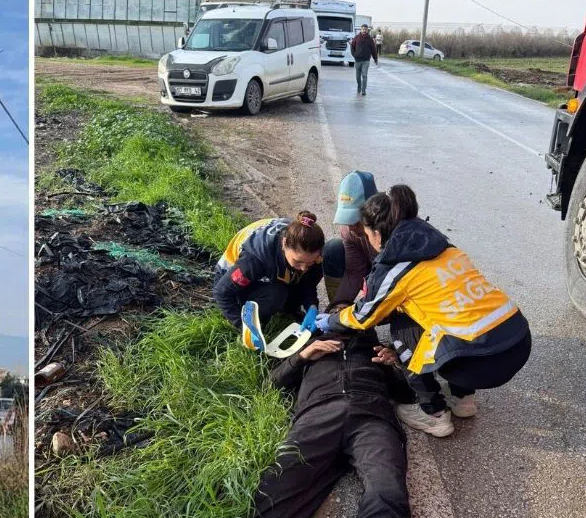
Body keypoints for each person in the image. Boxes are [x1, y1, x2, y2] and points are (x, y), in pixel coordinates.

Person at [149, 304, 428, 518]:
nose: (345, 322)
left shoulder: (374, 352)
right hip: (316, 418)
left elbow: (411, 394)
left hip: (373, 419)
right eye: (337, 315)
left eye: (352, 317)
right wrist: (304, 356)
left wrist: (395, 366)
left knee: (387, 492)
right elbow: (272, 384)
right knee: (276, 491)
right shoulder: (308, 346)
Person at [316, 186, 532, 437]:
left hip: (477, 365)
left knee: (403, 324)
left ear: (377, 233)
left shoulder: (396, 270)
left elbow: (363, 317)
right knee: (451, 318)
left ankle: (434, 413)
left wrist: (330, 321)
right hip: (517, 342)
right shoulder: (445, 248)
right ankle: (463, 400)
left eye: (367, 234)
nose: (368, 241)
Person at [213, 213, 327, 335]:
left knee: (292, 289)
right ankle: (252, 313)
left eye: (309, 263)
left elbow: (307, 283)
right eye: (298, 261)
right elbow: (221, 292)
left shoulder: (314, 253)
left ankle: (287, 309)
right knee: (277, 294)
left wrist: (312, 306)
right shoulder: (255, 260)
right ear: (284, 244)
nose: (304, 268)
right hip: (232, 280)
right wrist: (242, 326)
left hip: (273, 270)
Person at [331, 170, 380, 304]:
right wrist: (338, 306)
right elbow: (354, 272)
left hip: (409, 285)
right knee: (332, 249)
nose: (351, 226)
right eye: (347, 218)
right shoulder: (349, 229)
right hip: (378, 274)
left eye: (356, 220)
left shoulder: (398, 231)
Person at [350, 23, 378, 96]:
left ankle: (363, 90)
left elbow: (373, 49)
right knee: (357, 77)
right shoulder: (356, 37)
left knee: (364, 75)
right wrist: (354, 55)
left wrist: (375, 59)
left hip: (366, 60)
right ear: (361, 29)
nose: (364, 30)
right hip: (357, 60)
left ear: (367, 30)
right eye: (363, 29)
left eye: (366, 29)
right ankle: (359, 87)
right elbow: (352, 46)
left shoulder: (370, 39)